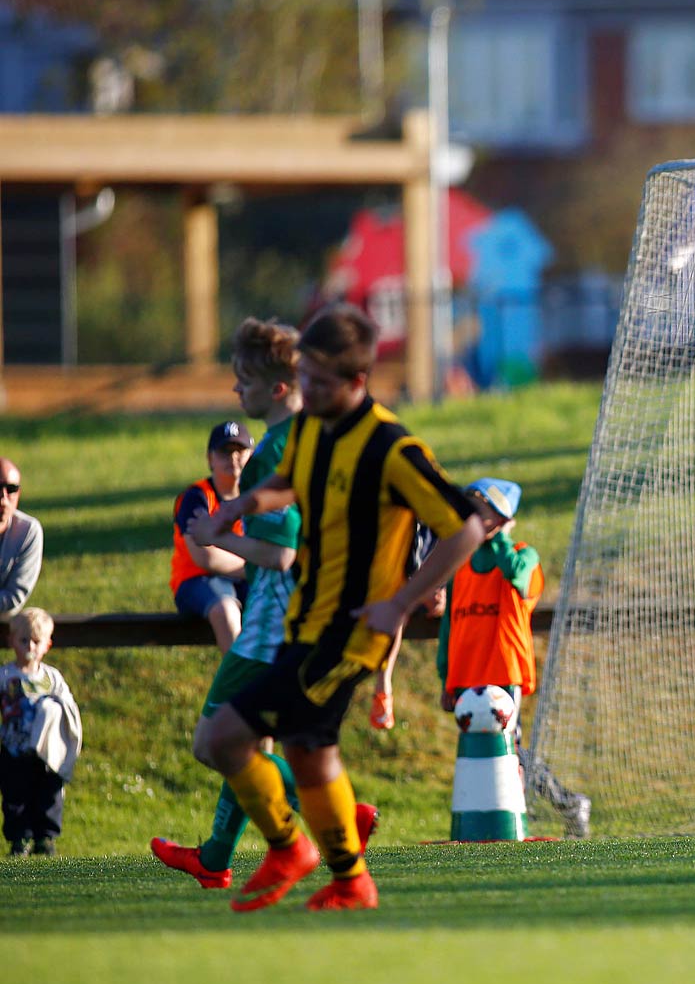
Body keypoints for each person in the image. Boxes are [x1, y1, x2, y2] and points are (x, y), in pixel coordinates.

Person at [191, 304, 493, 911]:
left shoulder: (391, 447)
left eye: (323, 384)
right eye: (306, 380)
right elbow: (288, 484)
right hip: (305, 623)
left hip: (353, 632)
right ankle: (350, 880)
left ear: (358, 382)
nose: (310, 392)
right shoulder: (310, 430)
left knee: (225, 737)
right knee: (309, 751)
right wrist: (236, 509)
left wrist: (402, 603)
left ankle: (289, 848)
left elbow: (466, 529)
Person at [154, 318, 376, 890]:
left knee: (213, 742)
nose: (236, 391)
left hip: (274, 618)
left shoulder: (275, 450)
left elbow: (278, 557)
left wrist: (214, 534)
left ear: (277, 387)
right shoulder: (314, 434)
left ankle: (335, 813)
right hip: (310, 611)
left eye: (244, 379)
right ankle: (217, 856)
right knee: (243, 742)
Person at [436, 477, 544, 751]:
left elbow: (515, 572)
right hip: (465, 677)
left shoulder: (524, 555)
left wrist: (502, 538)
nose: (469, 519)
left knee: (507, 748)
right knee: (472, 751)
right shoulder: (460, 564)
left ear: (502, 518)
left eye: (479, 513)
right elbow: (449, 626)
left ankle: (535, 788)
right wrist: (446, 678)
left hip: (504, 675)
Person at [1, 608, 80, 856]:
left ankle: (45, 838)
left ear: (47, 645)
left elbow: (67, 708)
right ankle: (19, 840)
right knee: (15, 797)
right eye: (23, 640)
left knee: (49, 795)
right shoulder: (5, 676)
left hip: (45, 753)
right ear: (11, 640)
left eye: (36, 641)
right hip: (13, 748)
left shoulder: (52, 678)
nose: (30, 647)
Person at [170, 421, 254, 652]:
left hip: (245, 580)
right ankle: (238, 685)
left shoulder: (260, 497)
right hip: (196, 580)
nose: (233, 458)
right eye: (224, 452)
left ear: (252, 455)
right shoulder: (196, 497)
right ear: (210, 459)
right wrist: (256, 564)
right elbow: (206, 558)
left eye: (240, 450)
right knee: (226, 611)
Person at [0, 457, 43, 627]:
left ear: (18, 493)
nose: (3, 497)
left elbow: (14, 597)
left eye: (11, 488)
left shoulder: (28, 531)